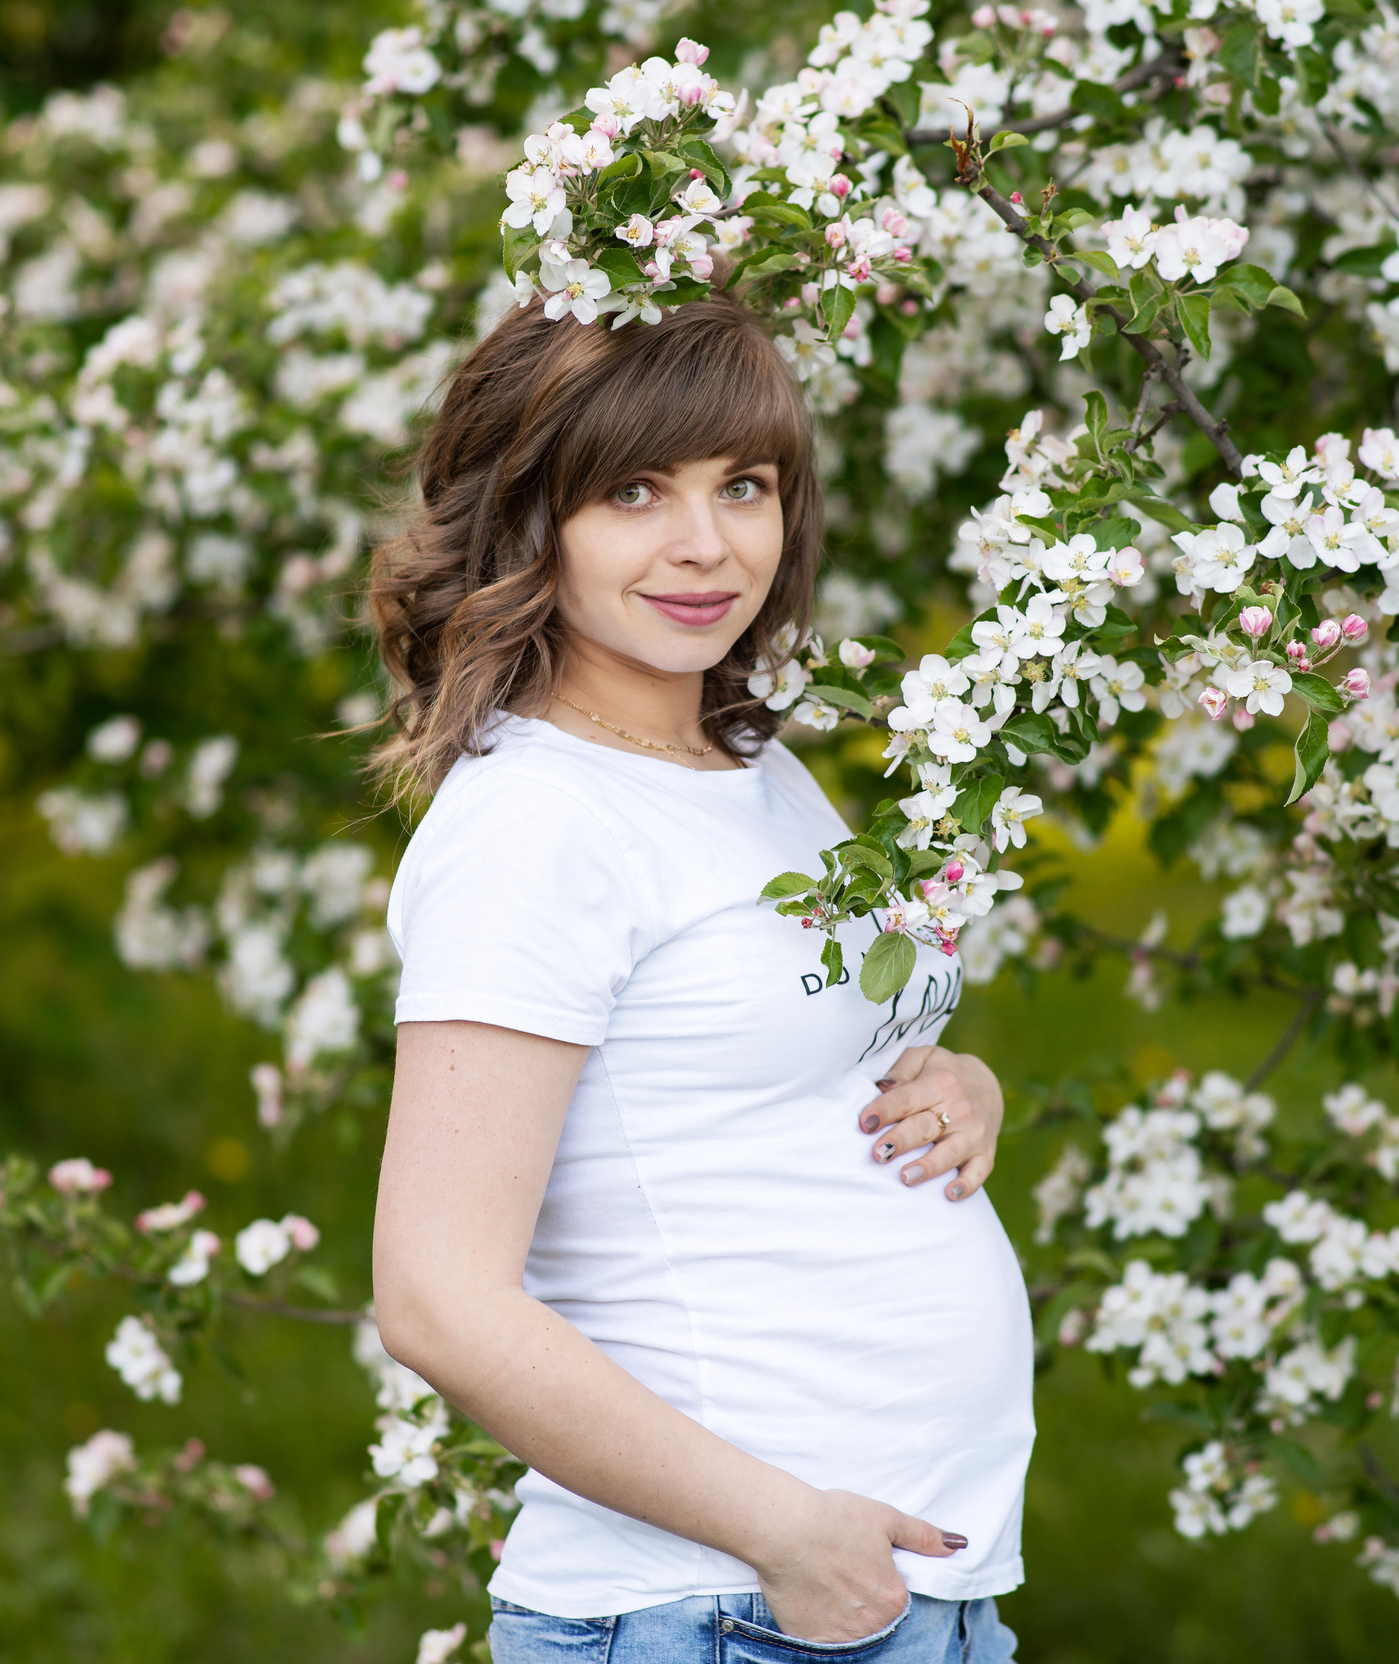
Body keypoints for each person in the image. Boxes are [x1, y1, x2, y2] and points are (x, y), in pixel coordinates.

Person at [368, 292, 1035, 1664]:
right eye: (632, 492)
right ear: (529, 519)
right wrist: (782, 1533)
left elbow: (774, 1079)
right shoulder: (537, 826)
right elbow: (439, 1293)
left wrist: (959, 1086)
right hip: (722, 1605)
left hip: (886, 1595)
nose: (705, 545)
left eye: (744, 486)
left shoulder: (752, 768)